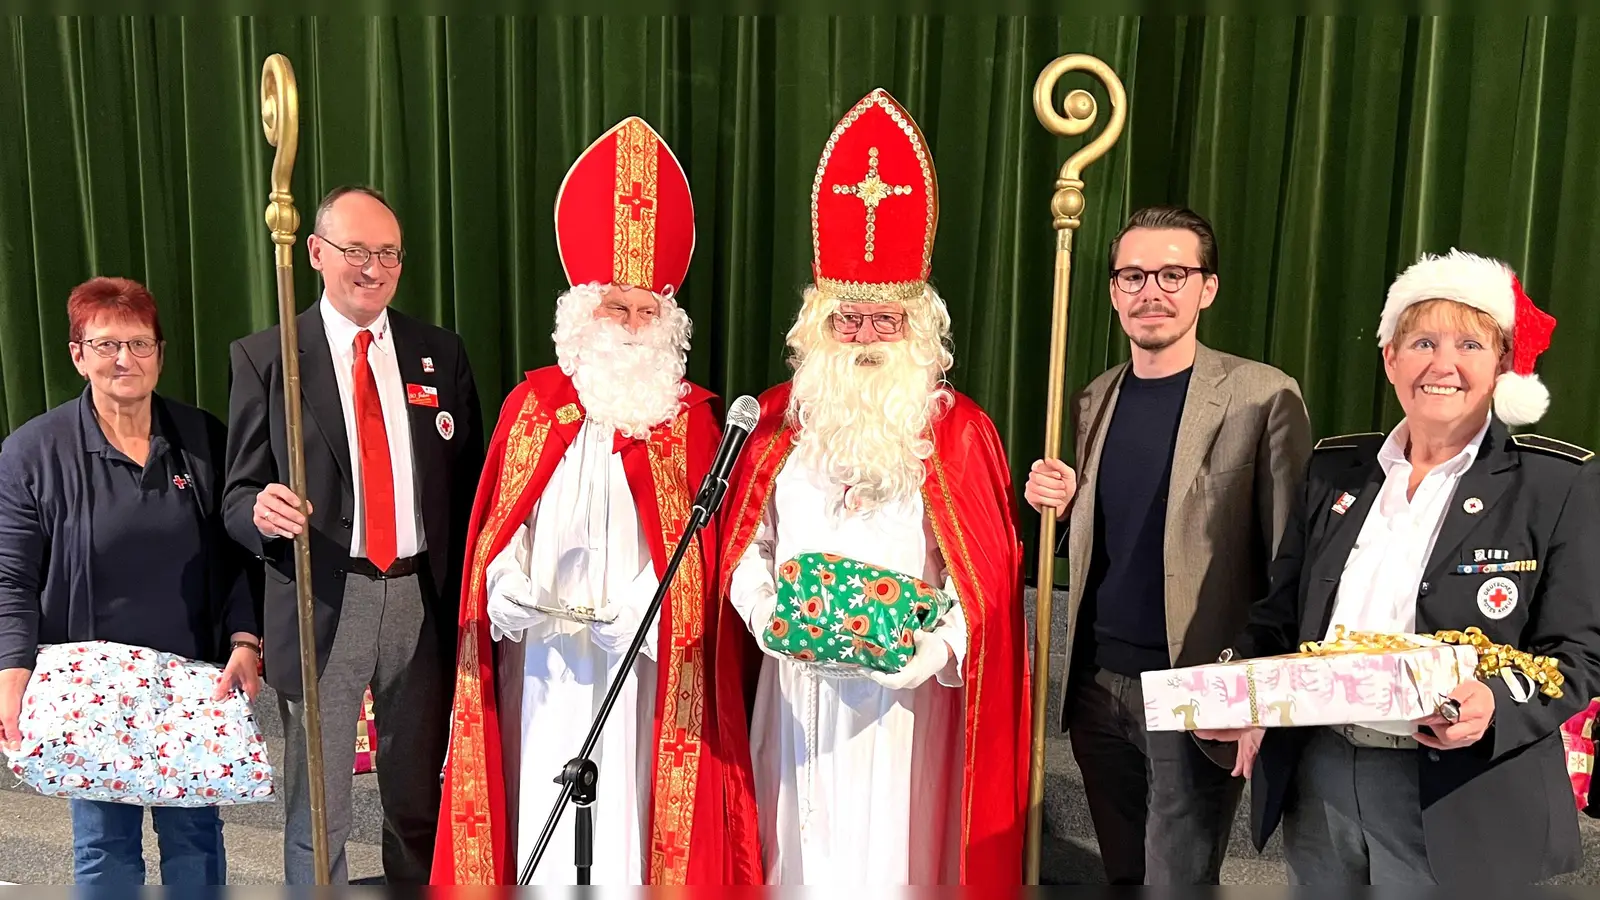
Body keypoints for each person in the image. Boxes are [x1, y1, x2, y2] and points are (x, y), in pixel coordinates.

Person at [1198, 249, 1600, 885]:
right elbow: (1281, 614)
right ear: (1390, 358)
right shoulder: (1336, 468)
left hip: (1458, 792)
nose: (1443, 365)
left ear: (1501, 366)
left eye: (1470, 344)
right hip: (1320, 772)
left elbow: (1579, 655)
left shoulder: (1557, 485)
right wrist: (1243, 692)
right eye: (1421, 342)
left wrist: (1492, 704)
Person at [432, 117, 761, 885]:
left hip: (644, 663)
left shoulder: (693, 421)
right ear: (582, 312)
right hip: (542, 661)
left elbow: (703, 548)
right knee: (542, 806)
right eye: (618, 308)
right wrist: (503, 585)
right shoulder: (532, 407)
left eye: (649, 311)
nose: (634, 326)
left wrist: (653, 606)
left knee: (631, 824)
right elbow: (497, 526)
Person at [715, 88, 1028, 885]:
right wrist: (758, 612)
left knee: (895, 865)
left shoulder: (959, 433)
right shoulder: (777, 424)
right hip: (795, 699)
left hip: (904, 712)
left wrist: (938, 651)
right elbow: (747, 544)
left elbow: (985, 579)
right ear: (817, 327)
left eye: (885, 321)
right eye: (847, 319)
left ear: (918, 329)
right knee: (798, 861)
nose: (864, 337)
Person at [1022, 206, 1311, 884]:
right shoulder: (1095, 396)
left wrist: (1258, 689)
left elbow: (1292, 558)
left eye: (1173, 273)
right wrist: (1059, 508)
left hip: (1198, 684)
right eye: (1132, 275)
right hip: (1097, 686)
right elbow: (1111, 530)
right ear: (1115, 290)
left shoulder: (1261, 396)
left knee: (1177, 885)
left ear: (1207, 287)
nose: (1151, 291)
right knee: (1124, 879)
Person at [223, 185, 485, 884]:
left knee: (416, 795)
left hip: (419, 601)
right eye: (356, 251)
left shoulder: (440, 353)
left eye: (389, 254)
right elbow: (236, 494)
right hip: (321, 600)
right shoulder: (268, 357)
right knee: (320, 805)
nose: (373, 268)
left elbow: (471, 490)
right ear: (315, 253)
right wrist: (259, 509)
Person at [0, 276, 260, 884]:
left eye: (141, 344)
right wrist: (11, 674)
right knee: (104, 845)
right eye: (107, 344)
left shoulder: (203, 440)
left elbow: (238, 557)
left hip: (194, 684)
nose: (126, 360)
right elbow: (11, 578)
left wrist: (245, 640)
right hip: (89, 688)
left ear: (161, 354)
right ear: (78, 355)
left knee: (196, 838)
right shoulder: (32, 452)